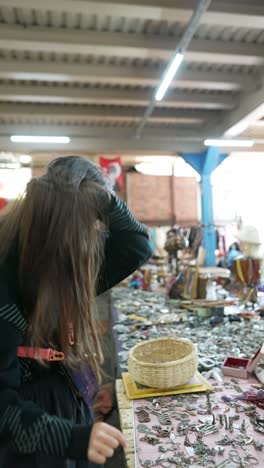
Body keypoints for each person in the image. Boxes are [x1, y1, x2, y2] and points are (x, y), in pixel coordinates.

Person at [0, 156, 153, 468]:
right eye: (87, 226)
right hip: (29, 426)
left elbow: (137, 245)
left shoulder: (58, 266)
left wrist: (106, 200)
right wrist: (71, 438)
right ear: (55, 236)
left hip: (64, 396)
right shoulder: (6, 281)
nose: (91, 245)